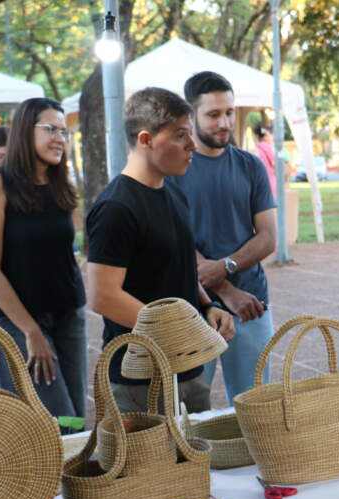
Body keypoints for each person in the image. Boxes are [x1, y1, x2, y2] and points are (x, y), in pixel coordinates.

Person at [86, 87, 234, 414]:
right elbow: (102, 296)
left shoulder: (173, 194)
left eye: (190, 133)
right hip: (139, 378)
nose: (191, 144)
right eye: (180, 135)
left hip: (188, 370)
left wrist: (207, 306)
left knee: (196, 448)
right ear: (146, 139)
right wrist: (176, 332)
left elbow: (177, 268)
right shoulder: (116, 207)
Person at [0, 98, 87, 432]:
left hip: (68, 314)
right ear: (26, 131)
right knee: (56, 423)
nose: (60, 139)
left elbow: (61, 251)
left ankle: (73, 469)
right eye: (51, 129)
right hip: (21, 320)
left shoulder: (60, 183)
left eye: (63, 132)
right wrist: (31, 331)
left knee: (77, 418)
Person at [171, 71, 277, 405]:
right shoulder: (172, 169)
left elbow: (268, 237)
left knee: (255, 408)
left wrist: (225, 268)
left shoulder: (251, 166)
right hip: (192, 307)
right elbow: (173, 243)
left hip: (251, 305)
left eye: (229, 112)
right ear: (191, 116)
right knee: (187, 410)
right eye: (213, 114)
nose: (225, 122)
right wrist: (226, 290)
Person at [252, 124, 277, 198]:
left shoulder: (254, 151)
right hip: (272, 182)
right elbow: (276, 167)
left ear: (256, 136)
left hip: (260, 184)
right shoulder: (272, 149)